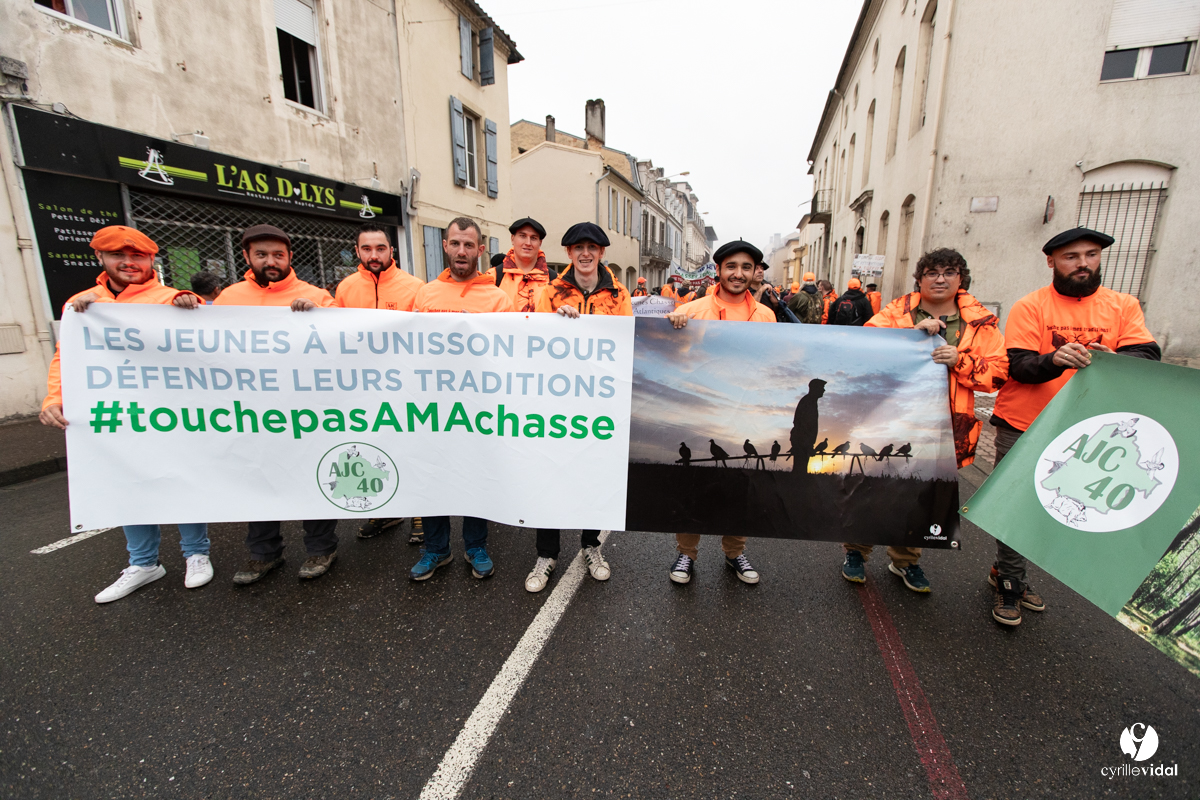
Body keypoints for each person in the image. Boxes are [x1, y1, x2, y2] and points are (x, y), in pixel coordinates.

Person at [988, 227, 1160, 626]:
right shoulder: (1031, 306)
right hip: (1026, 422)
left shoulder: (1122, 305)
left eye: (1091, 254)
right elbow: (1019, 366)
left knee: (1064, 508)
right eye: (1071, 256)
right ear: (1051, 262)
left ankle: (1008, 571)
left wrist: (1115, 358)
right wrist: (1055, 359)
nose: (1083, 263)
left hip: (1089, 429)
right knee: (1016, 506)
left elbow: (1147, 353)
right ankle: (1011, 582)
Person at [39, 225, 212, 603]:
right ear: (100, 258)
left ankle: (196, 553)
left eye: (138, 256)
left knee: (182, 477)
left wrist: (191, 302)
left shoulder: (170, 298)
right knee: (128, 481)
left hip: (172, 413)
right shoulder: (82, 304)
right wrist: (54, 398)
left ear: (152, 260)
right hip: (118, 415)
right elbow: (65, 358)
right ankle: (144, 563)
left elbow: (212, 335)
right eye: (119, 255)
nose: (129, 263)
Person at [841, 248, 1008, 594]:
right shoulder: (897, 312)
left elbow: (998, 374)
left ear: (961, 279)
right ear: (920, 278)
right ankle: (856, 552)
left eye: (949, 272)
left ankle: (905, 560)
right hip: (891, 418)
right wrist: (909, 338)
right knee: (872, 486)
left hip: (943, 427)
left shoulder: (980, 322)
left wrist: (959, 360)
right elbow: (865, 349)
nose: (940, 278)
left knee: (920, 494)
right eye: (932, 272)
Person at [213, 224, 341, 584]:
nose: (271, 261)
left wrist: (321, 315)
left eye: (278, 255)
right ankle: (263, 554)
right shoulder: (229, 299)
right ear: (247, 257)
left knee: (312, 477)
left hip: (308, 410)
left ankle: (321, 548)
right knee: (259, 479)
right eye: (262, 255)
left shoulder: (315, 295)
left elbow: (345, 341)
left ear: (289, 257)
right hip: (253, 411)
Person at [524, 222, 632, 593]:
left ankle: (590, 546)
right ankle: (547, 553)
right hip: (556, 401)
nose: (585, 253)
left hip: (600, 402)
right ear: (568, 253)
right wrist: (557, 322)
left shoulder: (618, 295)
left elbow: (625, 345)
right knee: (550, 474)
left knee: (595, 474)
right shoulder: (550, 292)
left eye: (592, 247)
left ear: (602, 253)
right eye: (578, 247)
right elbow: (533, 340)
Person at [410, 217, 515, 581]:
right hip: (432, 406)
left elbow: (511, 353)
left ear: (480, 250)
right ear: (444, 245)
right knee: (433, 475)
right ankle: (435, 550)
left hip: (479, 406)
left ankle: (475, 546)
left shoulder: (498, 298)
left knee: (475, 475)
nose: (461, 251)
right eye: (455, 243)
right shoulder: (425, 295)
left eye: (469, 245)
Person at [664, 240, 774, 587]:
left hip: (744, 414)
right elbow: (671, 358)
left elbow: (772, 363)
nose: (738, 274)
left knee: (739, 486)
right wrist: (672, 327)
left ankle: (734, 551)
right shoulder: (692, 309)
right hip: (701, 411)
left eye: (745, 267)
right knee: (693, 484)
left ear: (755, 272)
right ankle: (686, 552)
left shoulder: (766, 315)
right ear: (719, 270)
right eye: (731, 266)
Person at [332, 222, 425, 542]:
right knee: (373, 449)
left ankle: (418, 514)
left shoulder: (414, 287)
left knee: (411, 448)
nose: (374, 255)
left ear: (391, 250)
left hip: (405, 385)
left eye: (380, 248)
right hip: (362, 387)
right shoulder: (345, 288)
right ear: (357, 251)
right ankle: (384, 510)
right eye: (367, 249)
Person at [486, 217, 554, 312]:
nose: (528, 243)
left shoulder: (555, 280)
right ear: (512, 238)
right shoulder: (493, 277)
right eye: (522, 236)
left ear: (540, 243)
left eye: (533, 238)